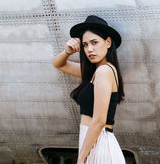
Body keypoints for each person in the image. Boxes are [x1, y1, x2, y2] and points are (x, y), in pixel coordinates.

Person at [52, 15, 126, 164]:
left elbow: (98, 121)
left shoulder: (103, 72)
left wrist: (80, 159)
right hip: (94, 143)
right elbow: (58, 64)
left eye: (94, 42)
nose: (89, 49)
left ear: (108, 42)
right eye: (85, 45)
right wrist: (68, 51)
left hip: (100, 145)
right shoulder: (95, 72)